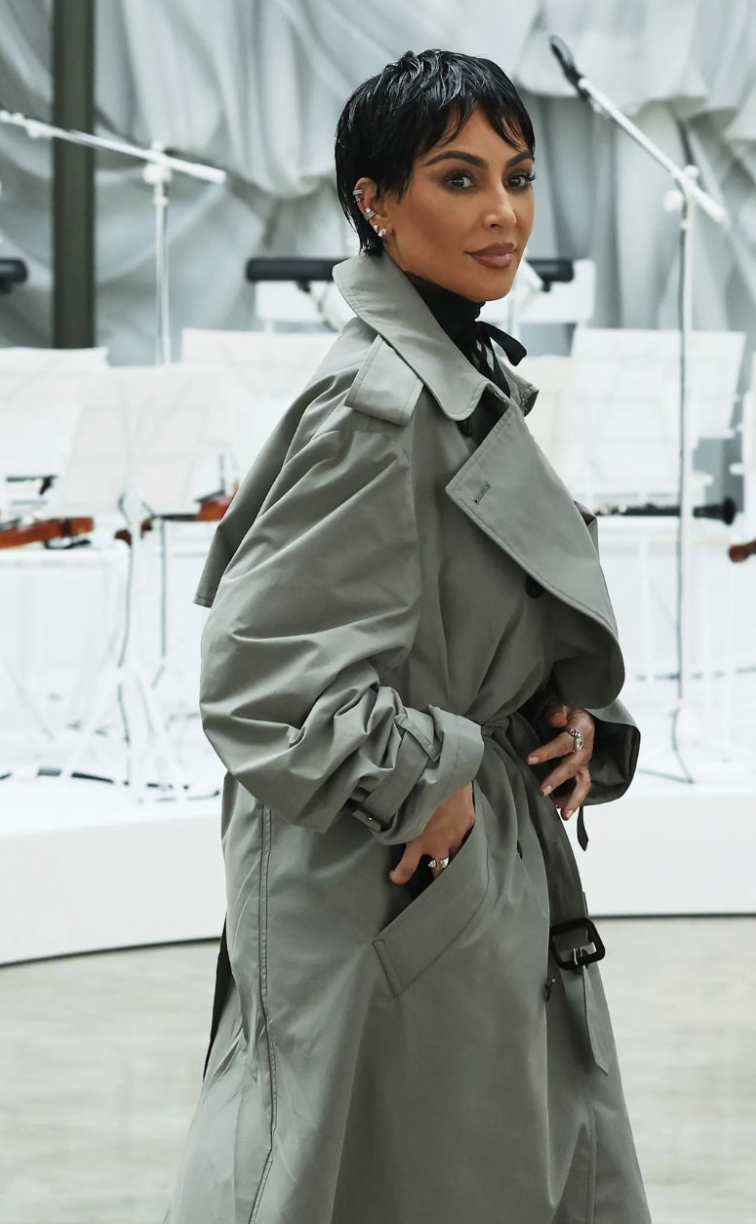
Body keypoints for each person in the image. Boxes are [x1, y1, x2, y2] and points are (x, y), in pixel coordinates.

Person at [166, 49, 650, 1224]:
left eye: (517, 177)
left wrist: (568, 716)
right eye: (458, 178)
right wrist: (429, 778)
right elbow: (261, 684)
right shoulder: (377, 407)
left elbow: (479, 605)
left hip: (451, 863)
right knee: (364, 1171)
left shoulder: (455, 375)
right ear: (375, 203)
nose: (503, 213)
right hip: (384, 871)